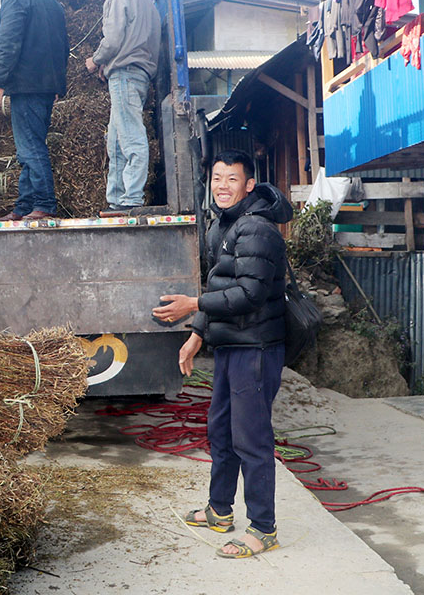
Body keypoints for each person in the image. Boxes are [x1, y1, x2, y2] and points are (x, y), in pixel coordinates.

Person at [151, 150, 292, 559]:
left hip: (258, 349)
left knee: (252, 439)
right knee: (222, 431)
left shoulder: (258, 230)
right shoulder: (225, 225)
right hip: (233, 345)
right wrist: (197, 335)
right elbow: (218, 287)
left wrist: (193, 305)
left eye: (232, 179)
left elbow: (248, 295)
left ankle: (263, 528)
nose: (222, 186)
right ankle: (219, 510)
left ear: (250, 185)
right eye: (217, 179)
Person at [0, 0, 68, 220]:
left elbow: (7, 44)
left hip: (26, 86)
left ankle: (44, 205)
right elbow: (63, 47)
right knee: (29, 147)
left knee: (31, 148)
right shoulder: (52, 3)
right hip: (46, 87)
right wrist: (59, 84)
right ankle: (24, 207)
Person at [87, 0, 161, 217]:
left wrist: (96, 60)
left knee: (130, 136)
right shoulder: (149, 4)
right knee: (116, 140)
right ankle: (117, 199)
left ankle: (131, 198)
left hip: (125, 75)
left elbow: (115, 39)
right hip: (141, 74)